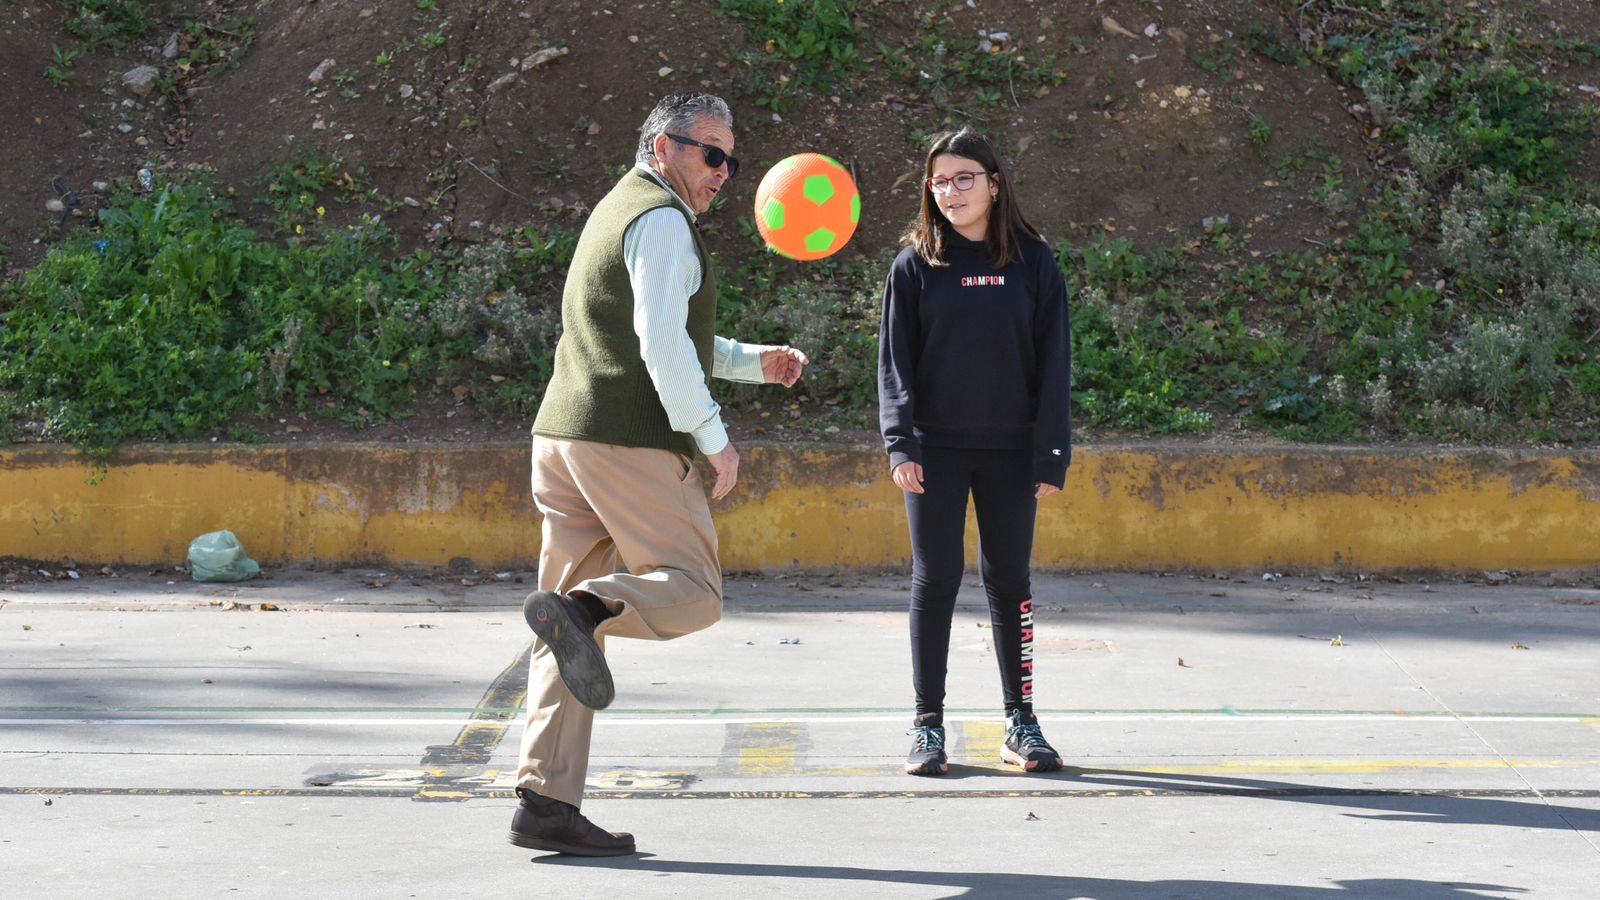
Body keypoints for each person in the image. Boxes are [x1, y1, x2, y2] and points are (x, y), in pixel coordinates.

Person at [509, 92, 809, 856]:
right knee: (695, 591)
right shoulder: (664, 220)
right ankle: (589, 607)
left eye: (732, 159)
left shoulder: (619, 207)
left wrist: (752, 364)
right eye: (711, 153)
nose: (725, 172)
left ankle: (545, 799)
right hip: (627, 442)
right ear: (663, 147)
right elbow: (659, 345)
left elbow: (663, 331)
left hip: (564, 438)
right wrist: (714, 439)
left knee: (568, 630)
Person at [877, 128, 1072, 777]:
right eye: (939, 180)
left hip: (1012, 452)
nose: (950, 191)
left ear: (994, 183)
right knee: (935, 583)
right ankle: (927, 724)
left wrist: (1049, 453)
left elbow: (1054, 366)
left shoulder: (1034, 263)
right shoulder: (915, 265)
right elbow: (895, 365)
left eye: (964, 178)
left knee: (1009, 583)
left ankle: (1021, 721)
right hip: (933, 452)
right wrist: (900, 441)